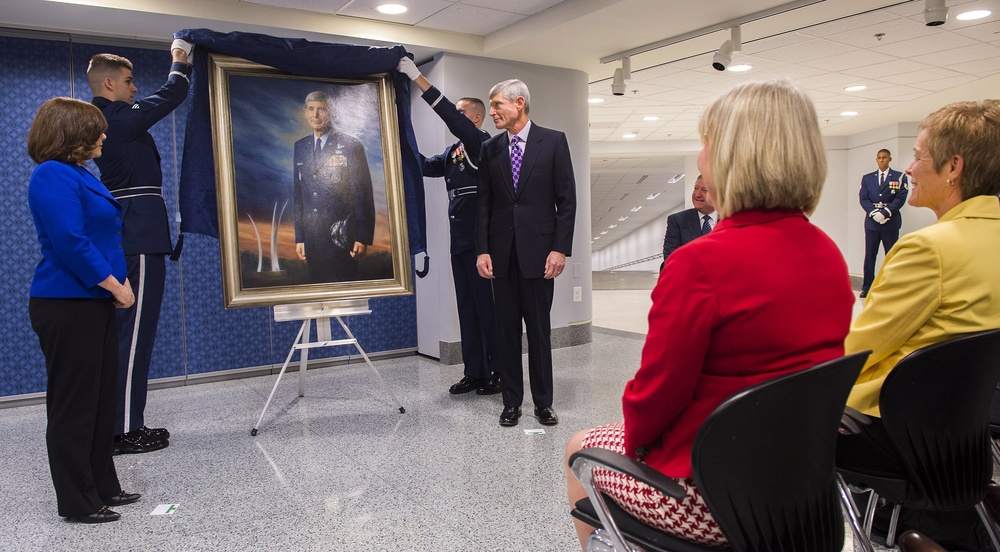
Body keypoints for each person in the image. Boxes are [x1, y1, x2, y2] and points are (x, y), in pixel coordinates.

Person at [564, 78, 854, 548]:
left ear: (732, 158)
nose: (700, 158)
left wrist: (640, 445)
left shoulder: (702, 262)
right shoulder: (827, 253)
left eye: (707, 142)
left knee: (579, 448)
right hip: (801, 487)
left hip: (715, 497)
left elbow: (655, 398)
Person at [838, 99, 1000, 548]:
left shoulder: (927, 249)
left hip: (901, 433)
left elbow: (857, 351)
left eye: (918, 156)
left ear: (954, 167)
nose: (908, 168)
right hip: (967, 436)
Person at [27, 97, 141, 523]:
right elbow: (71, 242)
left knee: (99, 399)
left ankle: (103, 485)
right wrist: (116, 285)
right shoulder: (51, 175)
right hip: (66, 304)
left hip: (91, 300)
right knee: (74, 406)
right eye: (97, 129)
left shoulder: (78, 173)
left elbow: (102, 237)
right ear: (71, 132)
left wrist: (116, 284)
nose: (104, 135)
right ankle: (78, 502)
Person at [87, 40, 193, 455]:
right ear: (109, 84)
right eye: (129, 82)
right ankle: (125, 430)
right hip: (139, 237)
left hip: (132, 236)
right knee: (133, 337)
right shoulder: (114, 117)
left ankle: (121, 422)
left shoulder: (109, 120)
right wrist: (179, 61)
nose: (135, 89)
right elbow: (173, 94)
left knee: (127, 336)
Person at [475, 79, 577, 427]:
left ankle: (544, 403)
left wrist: (560, 248)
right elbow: (483, 204)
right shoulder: (490, 149)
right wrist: (482, 250)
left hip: (539, 254)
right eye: (491, 107)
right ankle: (511, 403)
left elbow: (566, 201)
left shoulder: (553, 141)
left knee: (539, 332)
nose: (492, 113)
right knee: (506, 332)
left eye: (497, 106)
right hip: (501, 256)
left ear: (519, 103)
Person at [396, 56, 500, 396]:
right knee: (467, 310)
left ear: (474, 118)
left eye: (460, 112)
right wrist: (395, 140)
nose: (454, 116)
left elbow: (453, 120)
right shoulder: (455, 150)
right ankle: (475, 372)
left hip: (484, 244)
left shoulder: (481, 143)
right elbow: (425, 166)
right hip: (461, 244)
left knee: (489, 311)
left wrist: (417, 79)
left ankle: (498, 373)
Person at [293, 91, 376, 284]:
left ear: (332, 113)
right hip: (312, 240)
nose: (316, 115)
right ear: (306, 113)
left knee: (344, 295)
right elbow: (298, 194)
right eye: (311, 109)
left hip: (342, 238)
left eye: (321, 109)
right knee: (317, 293)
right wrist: (300, 237)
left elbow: (362, 193)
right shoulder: (300, 147)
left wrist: (362, 236)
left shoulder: (351, 145)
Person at [859, 148, 909, 297]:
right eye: (879, 157)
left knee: (891, 255)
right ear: (876, 159)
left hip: (890, 221)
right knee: (870, 255)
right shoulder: (868, 178)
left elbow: (900, 198)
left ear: (890, 159)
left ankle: (892, 286)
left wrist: (886, 213)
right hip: (872, 222)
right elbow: (863, 198)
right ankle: (867, 287)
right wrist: (874, 213)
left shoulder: (899, 177)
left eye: (885, 157)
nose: (882, 160)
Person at [660, 174, 715, 268]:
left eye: (704, 190)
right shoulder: (677, 221)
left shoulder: (731, 220)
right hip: (691, 279)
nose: (697, 194)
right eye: (695, 188)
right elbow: (671, 258)